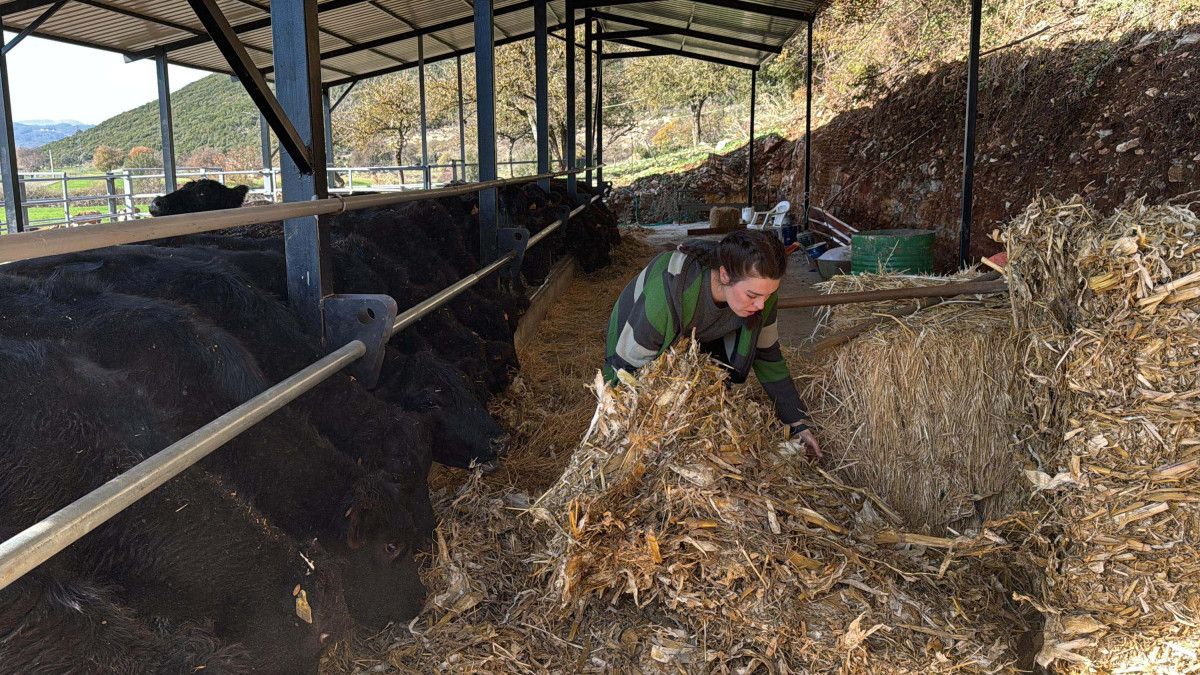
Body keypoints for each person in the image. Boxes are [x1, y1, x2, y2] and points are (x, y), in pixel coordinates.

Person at [603, 229, 821, 458]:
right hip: (636, 334)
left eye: (767, 296)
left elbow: (768, 355)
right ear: (724, 275)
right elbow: (626, 371)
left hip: (697, 339)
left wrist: (797, 422)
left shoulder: (761, 294)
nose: (760, 305)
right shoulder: (668, 289)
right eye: (752, 295)